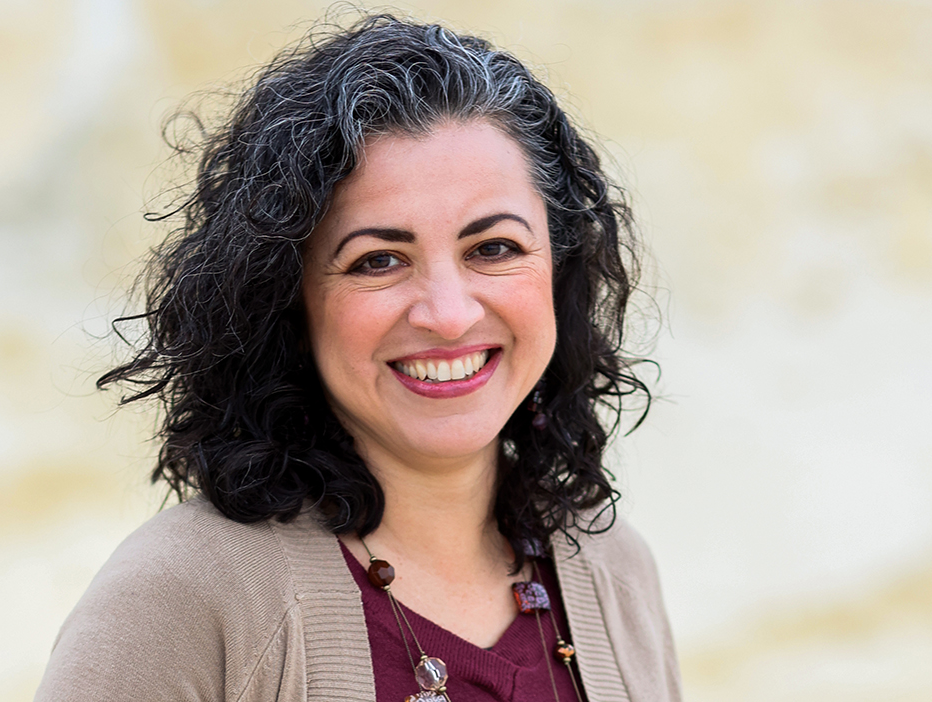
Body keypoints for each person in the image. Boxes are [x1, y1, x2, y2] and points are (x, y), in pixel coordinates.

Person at [36, 13, 680, 702]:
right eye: (378, 261)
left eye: (493, 249)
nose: (449, 313)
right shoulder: (181, 596)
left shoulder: (613, 569)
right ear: (287, 295)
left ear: (559, 267)